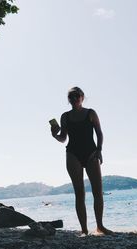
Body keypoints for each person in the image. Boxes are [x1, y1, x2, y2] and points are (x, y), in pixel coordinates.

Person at [51, 87, 112, 235]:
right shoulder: (65, 116)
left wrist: (99, 150)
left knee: (98, 192)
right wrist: (55, 135)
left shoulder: (90, 113)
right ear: (69, 99)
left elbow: (99, 133)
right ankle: (84, 230)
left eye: (77, 95)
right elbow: (63, 138)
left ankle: (100, 226)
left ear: (82, 97)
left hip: (91, 153)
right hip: (73, 154)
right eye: (71, 96)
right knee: (80, 194)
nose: (74, 98)